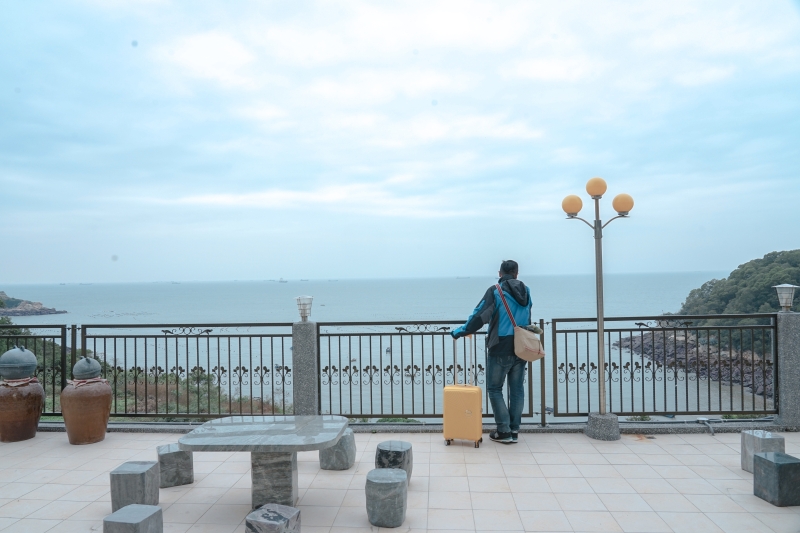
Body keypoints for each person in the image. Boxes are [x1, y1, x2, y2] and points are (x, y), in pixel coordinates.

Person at [451, 260, 534, 444]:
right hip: (522, 346)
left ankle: (503, 431)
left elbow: (480, 315)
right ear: (516, 274)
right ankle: (514, 430)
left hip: (501, 346)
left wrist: (461, 331)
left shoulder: (496, 291)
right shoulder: (526, 291)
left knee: (495, 389)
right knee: (517, 389)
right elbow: (528, 316)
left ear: (500, 273)